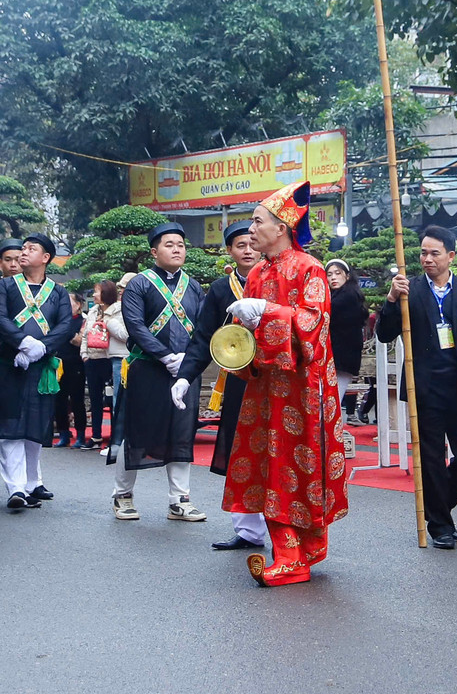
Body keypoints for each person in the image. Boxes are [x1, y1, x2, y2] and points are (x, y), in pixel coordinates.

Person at [222, 181, 348, 587]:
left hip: (302, 389)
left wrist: (267, 311)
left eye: (258, 222)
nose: (251, 229)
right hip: (265, 387)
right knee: (268, 466)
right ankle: (290, 552)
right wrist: (245, 327)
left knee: (297, 464)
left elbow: (313, 327)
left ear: (281, 227)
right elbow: (245, 336)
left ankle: (298, 553)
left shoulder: (310, 268)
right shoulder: (257, 272)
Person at [377, 227, 457, 549]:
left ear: (451, 256)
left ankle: (439, 509)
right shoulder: (408, 290)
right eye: (423, 252)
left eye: (434, 253)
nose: (427, 259)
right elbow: (384, 334)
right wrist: (391, 299)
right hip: (425, 388)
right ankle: (440, 525)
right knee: (431, 459)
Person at [172, 220, 268, 552]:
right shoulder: (219, 289)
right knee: (241, 450)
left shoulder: (276, 279)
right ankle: (248, 530)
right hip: (239, 380)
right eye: (240, 245)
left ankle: (284, 527)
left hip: (275, 376)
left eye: (252, 244)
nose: (248, 251)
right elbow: (203, 338)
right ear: (229, 250)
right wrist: (184, 376)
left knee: (275, 449)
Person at [112, 223, 206, 522]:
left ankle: (179, 500)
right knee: (137, 431)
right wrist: (165, 356)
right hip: (148, 368)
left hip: (185, 371)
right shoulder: (139, 284)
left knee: (182, 432)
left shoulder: (193, 286)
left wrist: (188, 360)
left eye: (181, 244)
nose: (177, 249)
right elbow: (135, 327)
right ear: (154, 252)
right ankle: (122, 494)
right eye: (169, 244)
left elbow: (203, 327)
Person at [0, 234, 78, 509]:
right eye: (23, 248)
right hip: (11, 364)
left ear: (45, 258)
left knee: (35, 425)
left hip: (42, 365)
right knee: (11, 426)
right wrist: (22, 343)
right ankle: (16, 488)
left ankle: (32, 482)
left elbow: (65, 325)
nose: (23, 252)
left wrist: (42, 348)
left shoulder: (57, 291)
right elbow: (1, 318)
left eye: (30, 249)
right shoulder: (6, 286)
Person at [81, 280, 120, 452]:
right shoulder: (92, 311)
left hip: (109, 359)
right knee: (94, 399)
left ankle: (114, 437)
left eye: (96, 291)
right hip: (92, 359)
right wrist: (84, 354)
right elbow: (85, 334)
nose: (94, 295)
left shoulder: (118, 310)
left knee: (111, 400)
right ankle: (95, 436)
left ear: (106, 294)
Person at [326, 258, 370, 405]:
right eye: (329, 274)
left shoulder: (348, 295)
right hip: (339, 357)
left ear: (347, 275)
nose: (333, 277)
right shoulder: (337, 295)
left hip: (341, 357)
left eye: (338, 273)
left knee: (331, 401)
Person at [102, 273, 135, 458]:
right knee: (117, 401)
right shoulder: (117, 306)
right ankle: (118, 441)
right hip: (117, 357)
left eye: (124, 287)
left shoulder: (133, 306)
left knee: (123, 401)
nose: (121, 290)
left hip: (127, 357)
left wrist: (110, 324)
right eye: (120, 287)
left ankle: (123, 442)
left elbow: (128, 334)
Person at [52, 292, 89, 448]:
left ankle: (80, 434)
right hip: (59, 364)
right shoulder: (58, 320)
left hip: (76, 364)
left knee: (77, 400)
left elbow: (79, 341)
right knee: (59, 400)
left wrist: (66, 332)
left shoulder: (83, 321)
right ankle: (63, 433)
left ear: (78, 305)